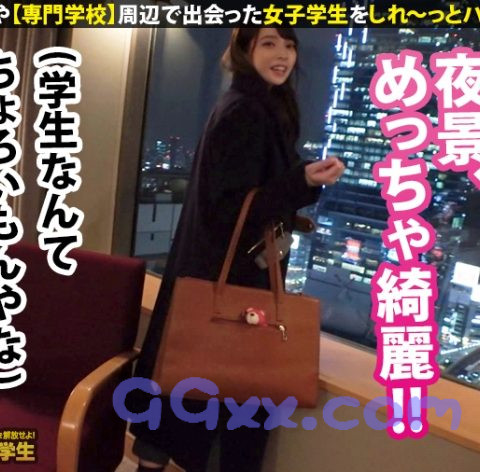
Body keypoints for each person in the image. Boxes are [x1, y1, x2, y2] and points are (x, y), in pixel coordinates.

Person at [128, 27, 345, 472]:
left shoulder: (258, 104)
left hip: (216, 270)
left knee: (190, 390)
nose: (283, 54)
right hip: (232, 277)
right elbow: (229, 206)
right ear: (246, 50)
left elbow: (254, 185)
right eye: (269, 43)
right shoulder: (247, 110)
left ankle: (156, 455)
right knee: (228, 391)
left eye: (289, 45)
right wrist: (301, 181)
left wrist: (303, 176)